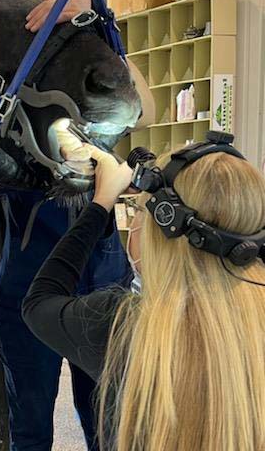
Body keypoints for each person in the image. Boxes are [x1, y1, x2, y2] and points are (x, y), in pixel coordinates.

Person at [0, 0, 131, 450]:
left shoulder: (100, 98)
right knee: (30, 428)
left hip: (103, 283)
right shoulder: (7, 114)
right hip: (29, 293)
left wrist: (87, 6)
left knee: (110, 422)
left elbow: (135, 96)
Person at [23, 145, 265, 450]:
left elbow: (38, 302)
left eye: (139, 210)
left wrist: (101, 203)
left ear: (164, 222)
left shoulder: (121, 326)